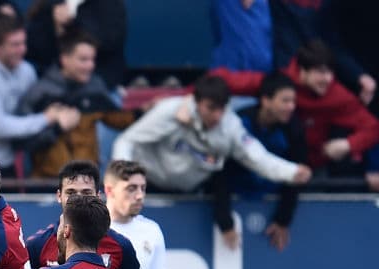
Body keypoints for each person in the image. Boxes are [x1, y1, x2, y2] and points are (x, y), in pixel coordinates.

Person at [210, 40, 379, 195]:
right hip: (269, 161)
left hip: (312, 169)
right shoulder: (279, 83)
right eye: (320, 72)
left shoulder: (336, 95)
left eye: (330, 72)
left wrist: (349, 144)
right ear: (302, 72)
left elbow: (373, 127)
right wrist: (185, 98)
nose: (327, 79)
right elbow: (224, 82)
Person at [111, 74, 312, 194]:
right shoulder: (170, 111)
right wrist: (125, 181)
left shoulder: (231, 126)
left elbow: (257, 157)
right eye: (211, 108)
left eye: (222, 108)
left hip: (190, 195)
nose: (217, 115)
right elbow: (127, 141)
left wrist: (291, 172)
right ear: (196, 102)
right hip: (148, 188)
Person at [0, 13, 78, 179]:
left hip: (12, 160)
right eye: (14, 44)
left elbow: (32, 109)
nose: (22, 49)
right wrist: (46, 118)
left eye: (23, 43)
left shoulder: (26, 70)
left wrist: (60, 111)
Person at [19, 28, 135, 178]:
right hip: (47, 185)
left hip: (87, 184)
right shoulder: (40, 93)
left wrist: (147, 111)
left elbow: (119, 118)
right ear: (64, 59)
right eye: (83, 59)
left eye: (92, 59)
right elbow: (22, 142)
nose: (90, 66)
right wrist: (57, 128)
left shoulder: (95, 87)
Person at [213, 72, 307, 251]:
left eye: (293, 101)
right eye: (285, 101)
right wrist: (224, 220)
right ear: (266, 100)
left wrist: (282, 219)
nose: (291, 107)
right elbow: (221, 172)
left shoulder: (294, 130)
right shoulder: (239, 123)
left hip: (270, 196)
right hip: (236, 193)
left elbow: (295, 178)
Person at [25, 0, 128, 90]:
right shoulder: (50, 4)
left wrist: (73, 20)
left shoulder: (109, 4)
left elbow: (110, 40)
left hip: (101, 88)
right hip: (53, 89)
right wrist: (55, 25)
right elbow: (32, 47)